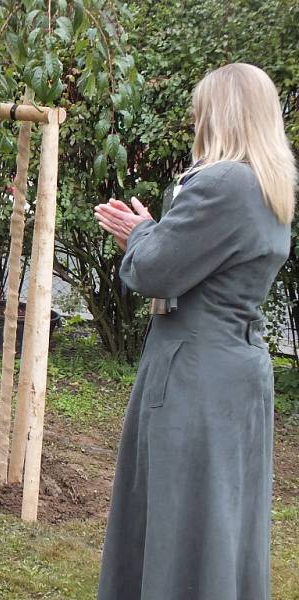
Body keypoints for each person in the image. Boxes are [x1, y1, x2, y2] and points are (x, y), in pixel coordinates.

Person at [93, 63, 296, 599]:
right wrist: (154, 235)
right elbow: (201, 263)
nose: (195, 121)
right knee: (222, 515)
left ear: (221, 113)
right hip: (237, 370)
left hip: (195, 373)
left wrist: (139, 235)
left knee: (182, 512)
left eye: (202, 111)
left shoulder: (225, 182)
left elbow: (156, 271)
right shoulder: (271, 185)